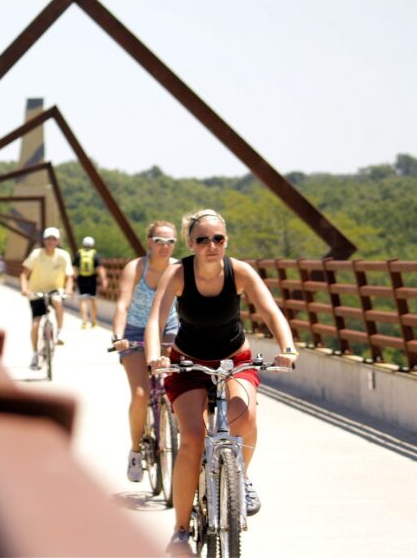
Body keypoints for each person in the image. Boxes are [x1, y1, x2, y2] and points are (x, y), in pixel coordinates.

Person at [144, 209, 297, 556]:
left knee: (247, 418)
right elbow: (156, 318)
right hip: (188, 363)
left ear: (226, 239)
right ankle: (181, 530)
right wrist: (156, 356)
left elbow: (271, 310)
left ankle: (240, 480)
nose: (212, 245)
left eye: (218, 238)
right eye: (203, 240)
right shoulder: (178, 273)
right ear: (190, 244)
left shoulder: (240, 272)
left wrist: (287, 348)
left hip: (234, 359)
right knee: (193, 438)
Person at [109, 221, 179, 483]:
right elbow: (122, 304)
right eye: (160, 241)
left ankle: (176, 433)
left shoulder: (178, 268)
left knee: (181, 389)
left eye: (171, 241)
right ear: (149, 241)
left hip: (169, 329)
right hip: (136, 333)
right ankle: (136, 451)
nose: (165, 246)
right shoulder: (136, 268)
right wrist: (118, 336)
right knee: (140, 394)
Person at [20, 227, 74, 370]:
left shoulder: (63, 255)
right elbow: (24, 275)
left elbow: (69, 277)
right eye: (48, 238)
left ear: (58, 241)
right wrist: (25, 289)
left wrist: (68, 289)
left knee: (57, 301)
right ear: (44, 240)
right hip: (36, 290)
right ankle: (34, 354)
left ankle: (60, 332)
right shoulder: (36, 254)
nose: (51, 241)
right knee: (35, 324)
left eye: (54, 239)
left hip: (55, 289)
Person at [73, 236, 108, 329]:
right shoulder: (95, 254)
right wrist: (104, 280)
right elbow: (100, 268)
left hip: (81, 278)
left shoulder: (79, 254)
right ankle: (93, 320)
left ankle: (84, 321)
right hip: (92, 279)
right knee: (93, 300)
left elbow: (75, 268)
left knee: (82, 300)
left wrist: (74, 279)